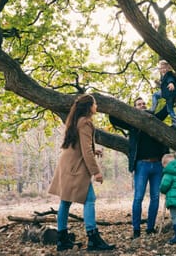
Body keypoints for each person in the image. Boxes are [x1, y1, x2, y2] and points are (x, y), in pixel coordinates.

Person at [48, 94, 115, 252]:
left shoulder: (75, 120)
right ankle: (93, 239)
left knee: (65, 202)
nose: (96, 106)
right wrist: (96, 172)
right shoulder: (85, 122)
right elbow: (85, 151)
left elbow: (80, 145)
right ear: (89, 106)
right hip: (75, 168)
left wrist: (94, 149)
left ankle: (62, 239)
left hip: (67, 165)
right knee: (89, 199)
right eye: (95, 104)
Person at [109, 97, 169, 239]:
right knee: (138, 198)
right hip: (142, 165)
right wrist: (115, 106)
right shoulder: (132, 123)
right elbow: (114, 119)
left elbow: (166, 110)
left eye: (144, 104)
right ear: (134, 108)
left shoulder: (154, 119)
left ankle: (150, 228)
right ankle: (136, 230)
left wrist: (170, 92)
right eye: (139, 105)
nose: (142, 106)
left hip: (157, 166)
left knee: (155, 198)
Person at [149, 60, 176, 129]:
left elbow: (170, 79)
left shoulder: (169, 74)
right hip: (165, 92)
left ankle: (175, 122)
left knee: (169, 109)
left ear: (168, 68)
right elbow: (163, 83)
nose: (163, 70)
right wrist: (158, 83)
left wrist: (171, 83)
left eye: (165, 68)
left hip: (170, 94)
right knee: (155, 95)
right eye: (161, 68)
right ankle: (152, 109)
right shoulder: (163, 76)